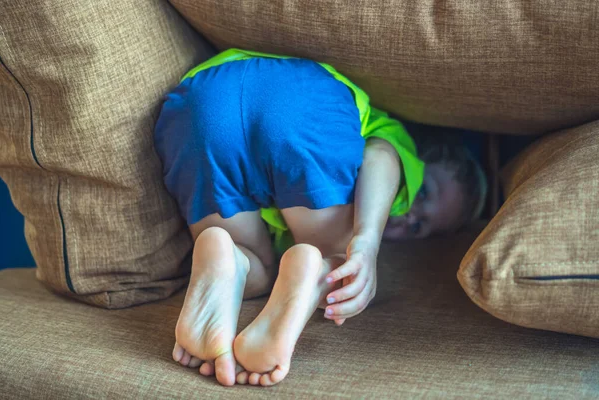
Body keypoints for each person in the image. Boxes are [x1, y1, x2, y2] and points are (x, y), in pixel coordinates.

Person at [154, 49, 487, 387]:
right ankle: (317, 267)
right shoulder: (394, 148)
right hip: (303, 99)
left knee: (257, 270)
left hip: (198, 102)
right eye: (424, 193)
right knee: (345, 267)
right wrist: (367, 241)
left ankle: (225, 255)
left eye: (419, 227)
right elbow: (381, 155)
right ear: (418, 161)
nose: (410, 214)